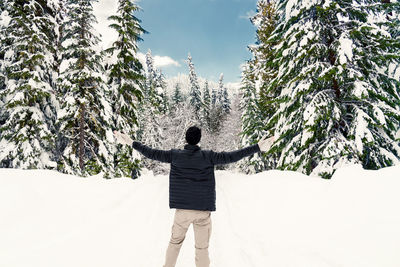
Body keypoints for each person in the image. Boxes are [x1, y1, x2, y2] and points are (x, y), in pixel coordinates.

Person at [113, 126, 274, 267]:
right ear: (199, 140)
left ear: (186, 139)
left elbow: (151, 153)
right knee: (202, 248)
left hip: (182, 212)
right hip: (202, 212)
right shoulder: (208, 156)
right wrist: (258, 147)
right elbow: (232, 156)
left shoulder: (175, 155)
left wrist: (130, 142)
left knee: (175, 243)